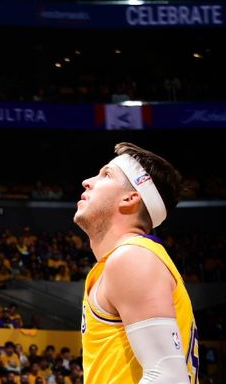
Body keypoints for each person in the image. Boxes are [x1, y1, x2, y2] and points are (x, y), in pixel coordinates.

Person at [74, 142, 198, 383]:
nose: (87, 181)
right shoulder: (129, 259)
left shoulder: (133, 258)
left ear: (130, 198)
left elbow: (168, 377)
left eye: (106, 175)